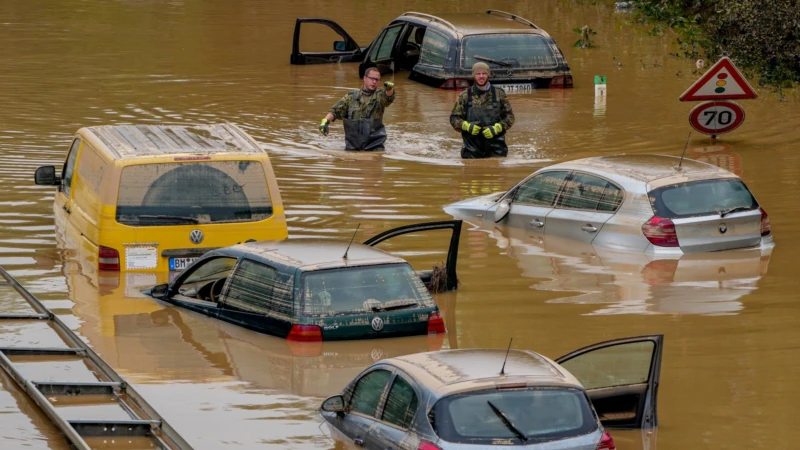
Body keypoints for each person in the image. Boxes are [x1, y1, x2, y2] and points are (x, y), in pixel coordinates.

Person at [319, 67, 395, 150]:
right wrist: (325, 121)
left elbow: (388, 98)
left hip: (375, 148)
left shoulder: (379, 97)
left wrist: (389, 89)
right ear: (365, 78)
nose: (374, 82)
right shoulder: (351, 97)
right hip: (352, 147)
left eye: (377, 80)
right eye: (372, 78)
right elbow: (335, 111)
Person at [450, 62, 515, 159]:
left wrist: (498, 127)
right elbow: (454, 118)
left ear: (488, 74)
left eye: (484, 73)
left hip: (496, 149)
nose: (481, 76)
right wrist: (466, 126)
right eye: (478, 74)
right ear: (474, 76)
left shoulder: (499, 94)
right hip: (471, 150)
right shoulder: (464, 95)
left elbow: (510, 117)